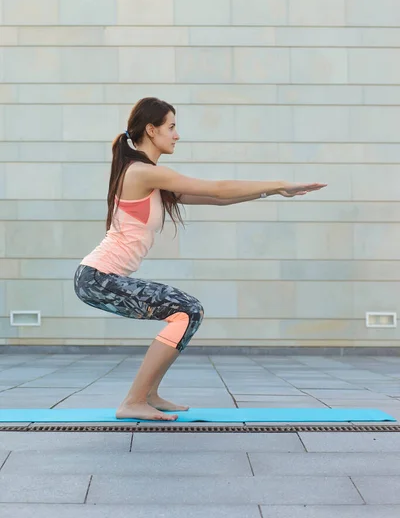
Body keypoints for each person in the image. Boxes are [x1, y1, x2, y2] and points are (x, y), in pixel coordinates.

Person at [74, 97, 327, 421]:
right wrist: (279, 182)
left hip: (99, 276)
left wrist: (273, 192)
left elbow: (216, 199)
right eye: (172, 127)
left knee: (187, 312)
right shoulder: (142, 172)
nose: (177, 135)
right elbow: (219, 188)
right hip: (97, 277)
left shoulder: (148, 176)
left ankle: (148, 395)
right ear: (151, 130)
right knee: (187, 310)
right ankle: (134, 400)